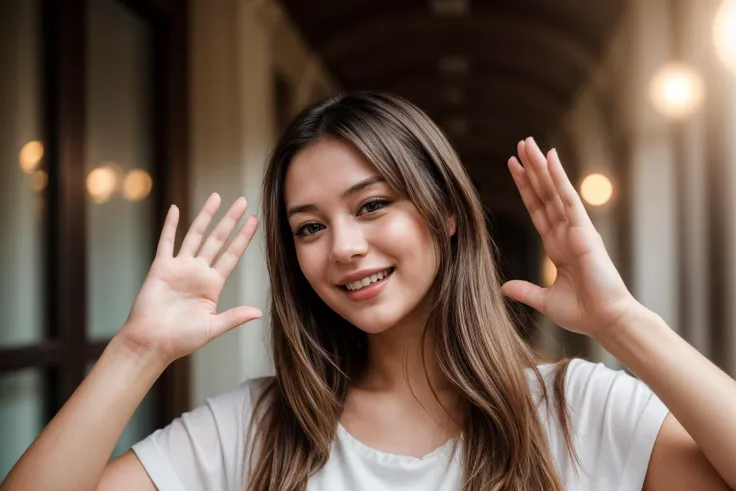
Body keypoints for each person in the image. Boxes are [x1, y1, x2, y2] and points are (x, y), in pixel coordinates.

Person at [2, 92, 735, 491]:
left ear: (445, 213)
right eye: (309, 227)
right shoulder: (256, 428)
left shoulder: (581, 408)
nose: (344, 247)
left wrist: (621, 319)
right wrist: (136, 351)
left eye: (373, 205)